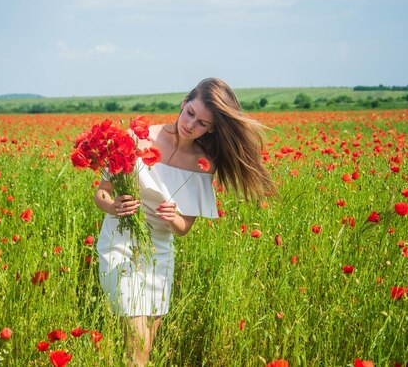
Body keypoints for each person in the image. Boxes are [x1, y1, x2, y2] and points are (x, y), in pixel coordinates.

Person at [94, 77, 277, 366]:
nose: (191, 124)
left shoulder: (201, 163)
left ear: (213, 128)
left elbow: (183, 229)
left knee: (144, 350)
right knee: (136, 348)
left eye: (202, 123)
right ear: (183, 103)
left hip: (158, 256)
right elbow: (101, 193)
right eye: (190, 112)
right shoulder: (137, 138)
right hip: (120, 243)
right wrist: (113, 207)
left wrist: (173, 218)